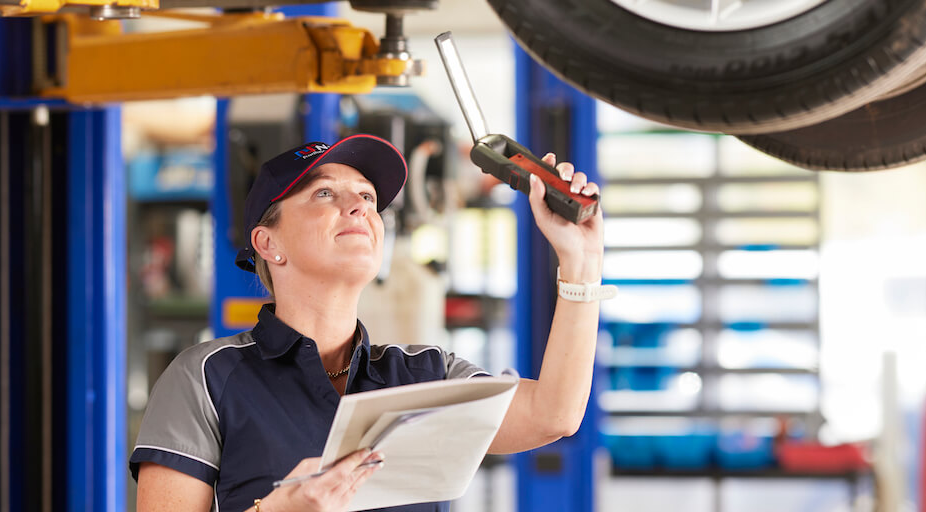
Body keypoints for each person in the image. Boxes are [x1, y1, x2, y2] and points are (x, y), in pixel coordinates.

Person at [131, 135, 604, 512]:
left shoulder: (426, 376)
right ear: (268, 242)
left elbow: (553, 416)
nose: (359, 206)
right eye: (324, 193)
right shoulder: (206, 378)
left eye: (367, 196)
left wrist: (580, 261)